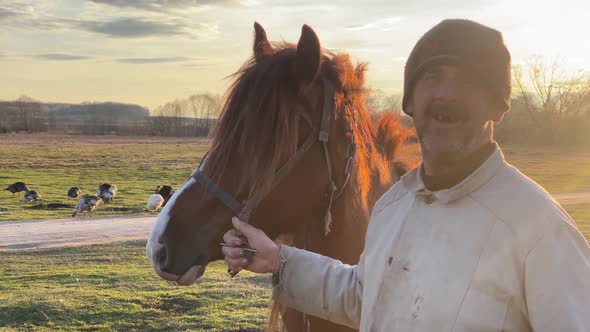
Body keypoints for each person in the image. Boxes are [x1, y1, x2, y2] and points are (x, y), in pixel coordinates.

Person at [222, 19, 590, 331]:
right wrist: (279, 262)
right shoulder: (393, 204)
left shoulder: (540, 230)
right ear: (410, 101)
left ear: (497, 106)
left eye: (468, 81)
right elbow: (367, 297)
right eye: (432, 77)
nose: (446, 94)